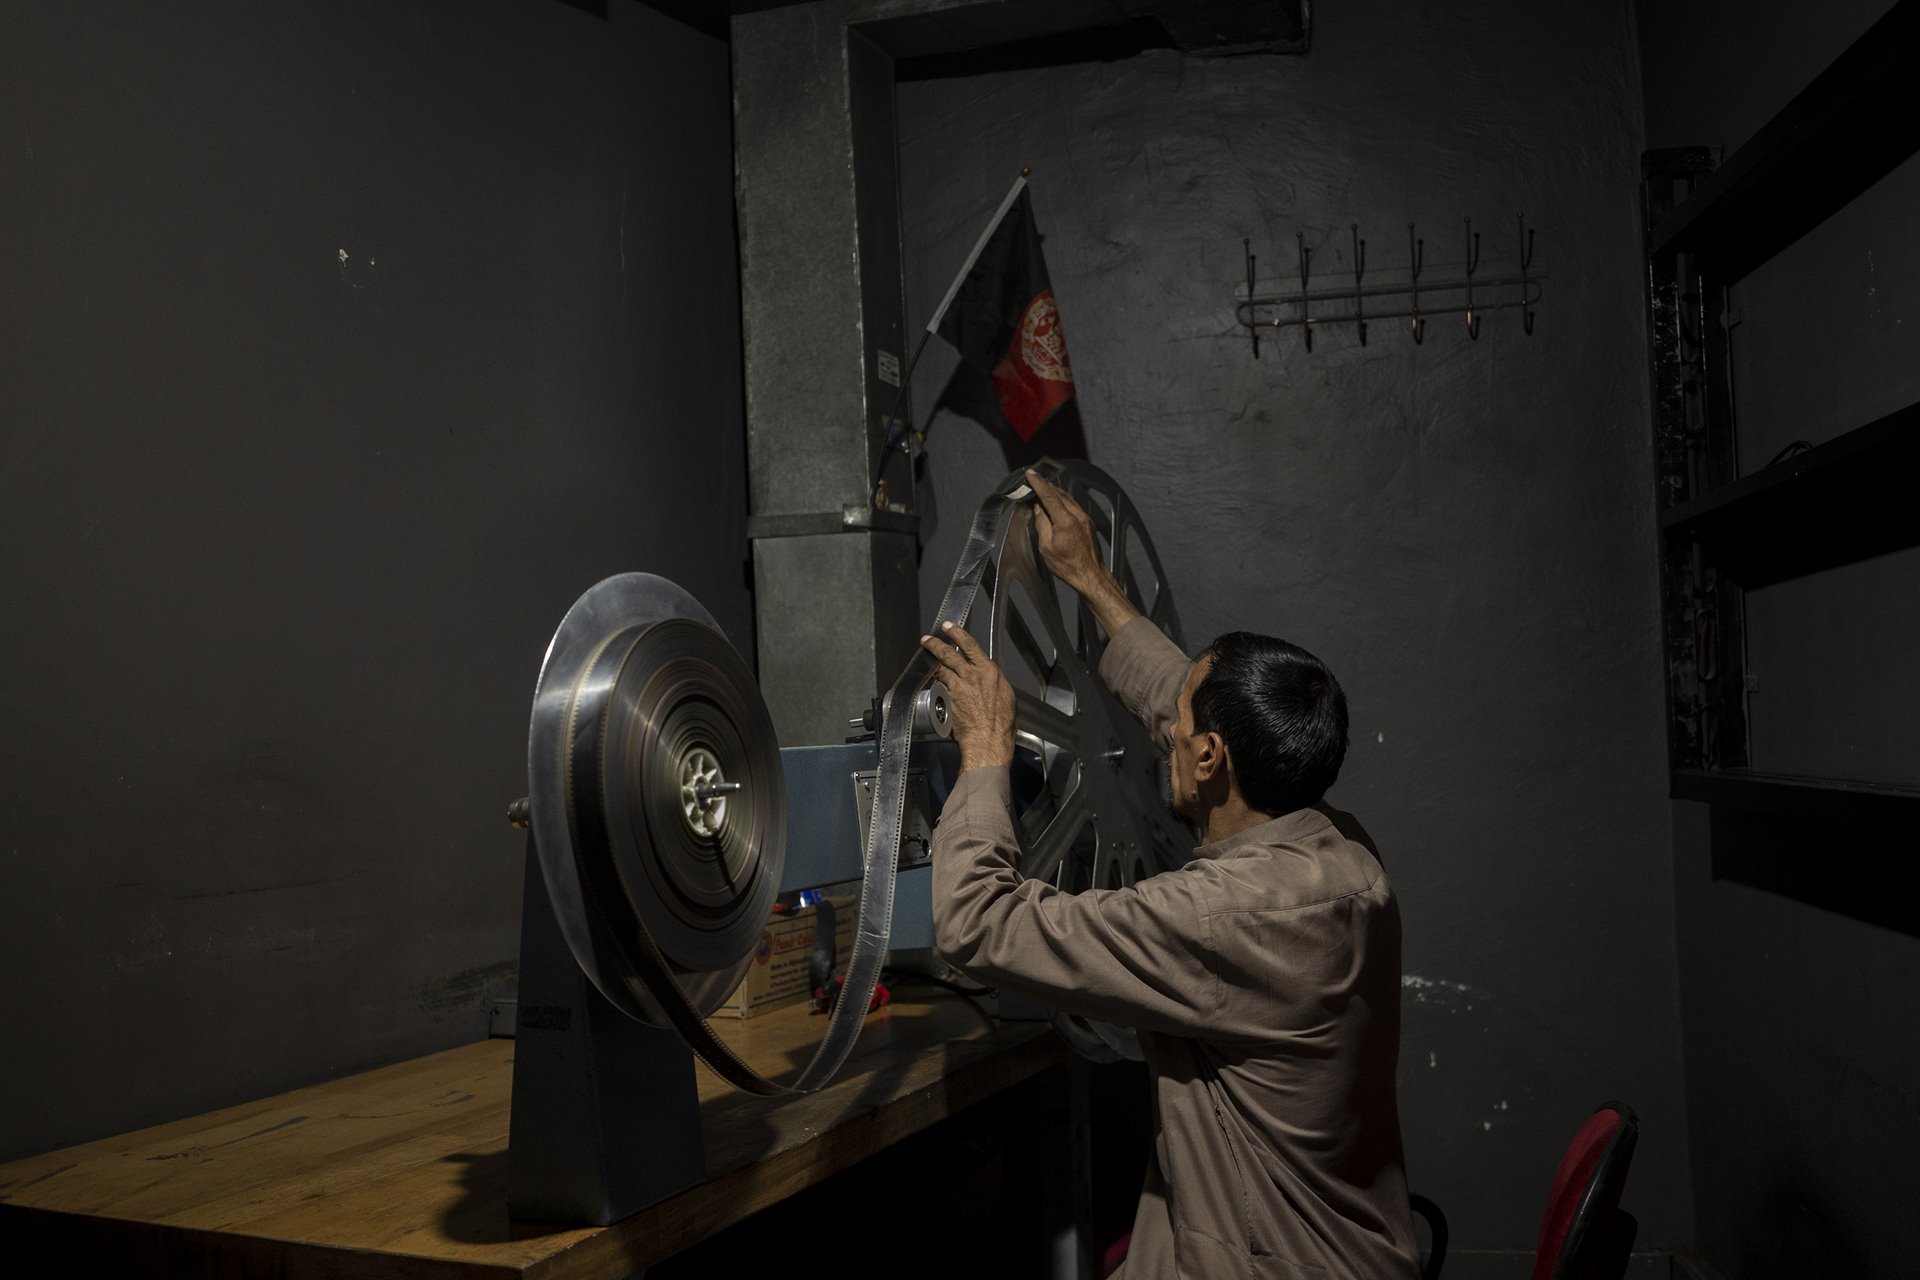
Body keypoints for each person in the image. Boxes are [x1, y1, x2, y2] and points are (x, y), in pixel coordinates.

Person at [922, 469, 1419, 1280]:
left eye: (1182, 726)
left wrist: (982, 756)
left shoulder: (1221, 919)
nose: (1164, 730)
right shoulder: (1339, 850)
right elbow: (1176, 703)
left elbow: (977, 923)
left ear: (1212, 757)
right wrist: (1092, 583)